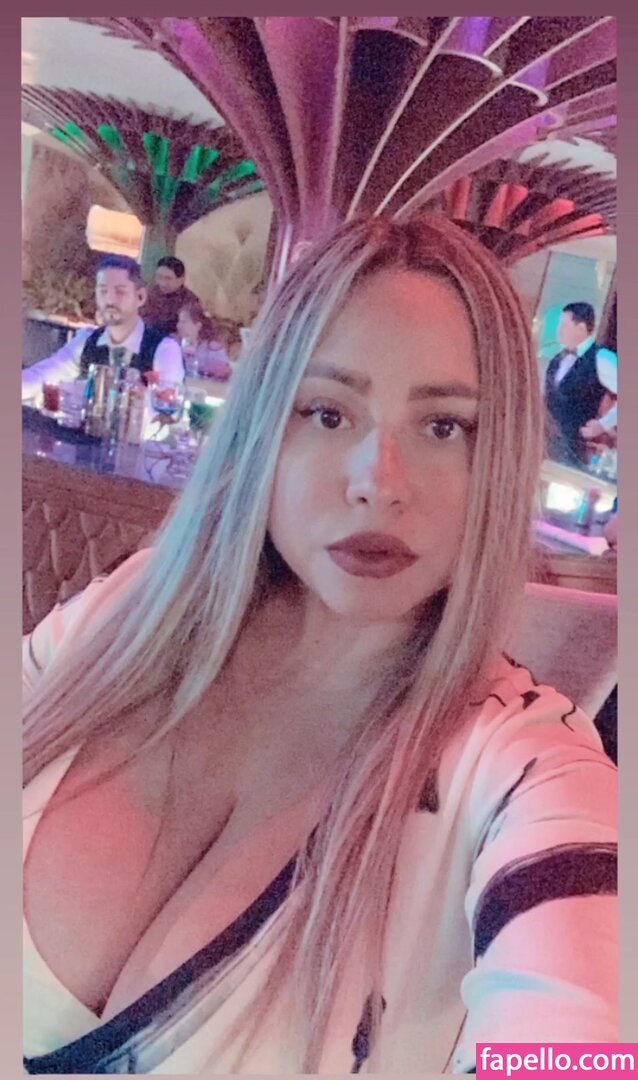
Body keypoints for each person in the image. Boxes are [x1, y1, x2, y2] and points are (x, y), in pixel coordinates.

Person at [23, 216, 616, 1075]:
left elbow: (581, 1022)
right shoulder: (128, 615)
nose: (378, 482)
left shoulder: (524, 772)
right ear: (264, 423)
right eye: (328, 412)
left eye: (445, 426)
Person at [21, 255, 184, 401]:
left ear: (140, 297)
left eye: (120, 292)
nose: (110, 300)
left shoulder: (164, 349)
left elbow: (165, 411)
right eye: (103, 291)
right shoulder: (87, 341)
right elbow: (41, 376)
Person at [544, 301, 617, 466]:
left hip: (571, 450)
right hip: (543, 443)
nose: (559, 331)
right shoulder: (557, 359)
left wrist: (602, 425)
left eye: (564, 326)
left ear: (581, 328)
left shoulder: (601, 358)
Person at [141, 255, 201, 338]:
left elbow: (189, 334)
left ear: (181, 280)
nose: (162, 283)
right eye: (159, 277)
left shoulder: (190, 301)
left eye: (168, 278)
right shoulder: (149, 293)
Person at [177, 299, 233, 380]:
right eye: (179, 321)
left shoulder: (212, 347)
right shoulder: (180, 344)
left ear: (198, 326)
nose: (178, 325)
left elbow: (224, 370)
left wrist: (201, 367)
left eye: (183, 322)